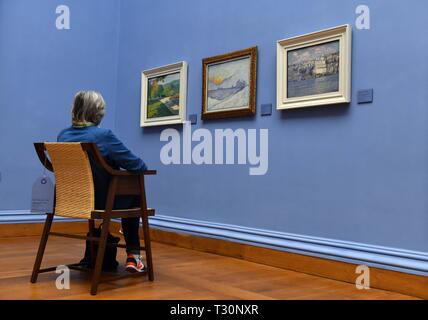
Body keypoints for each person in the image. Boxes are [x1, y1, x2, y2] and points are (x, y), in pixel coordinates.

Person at [58, 90, 147, 273]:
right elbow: (138, 165)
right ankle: (133, 255)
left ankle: (121, 254)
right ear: (97, 113)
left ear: (75, 110)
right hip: (101, 203)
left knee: (126, 190)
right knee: (135, 189)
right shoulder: (103, 136)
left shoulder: (63, 136)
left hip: (72, 201)